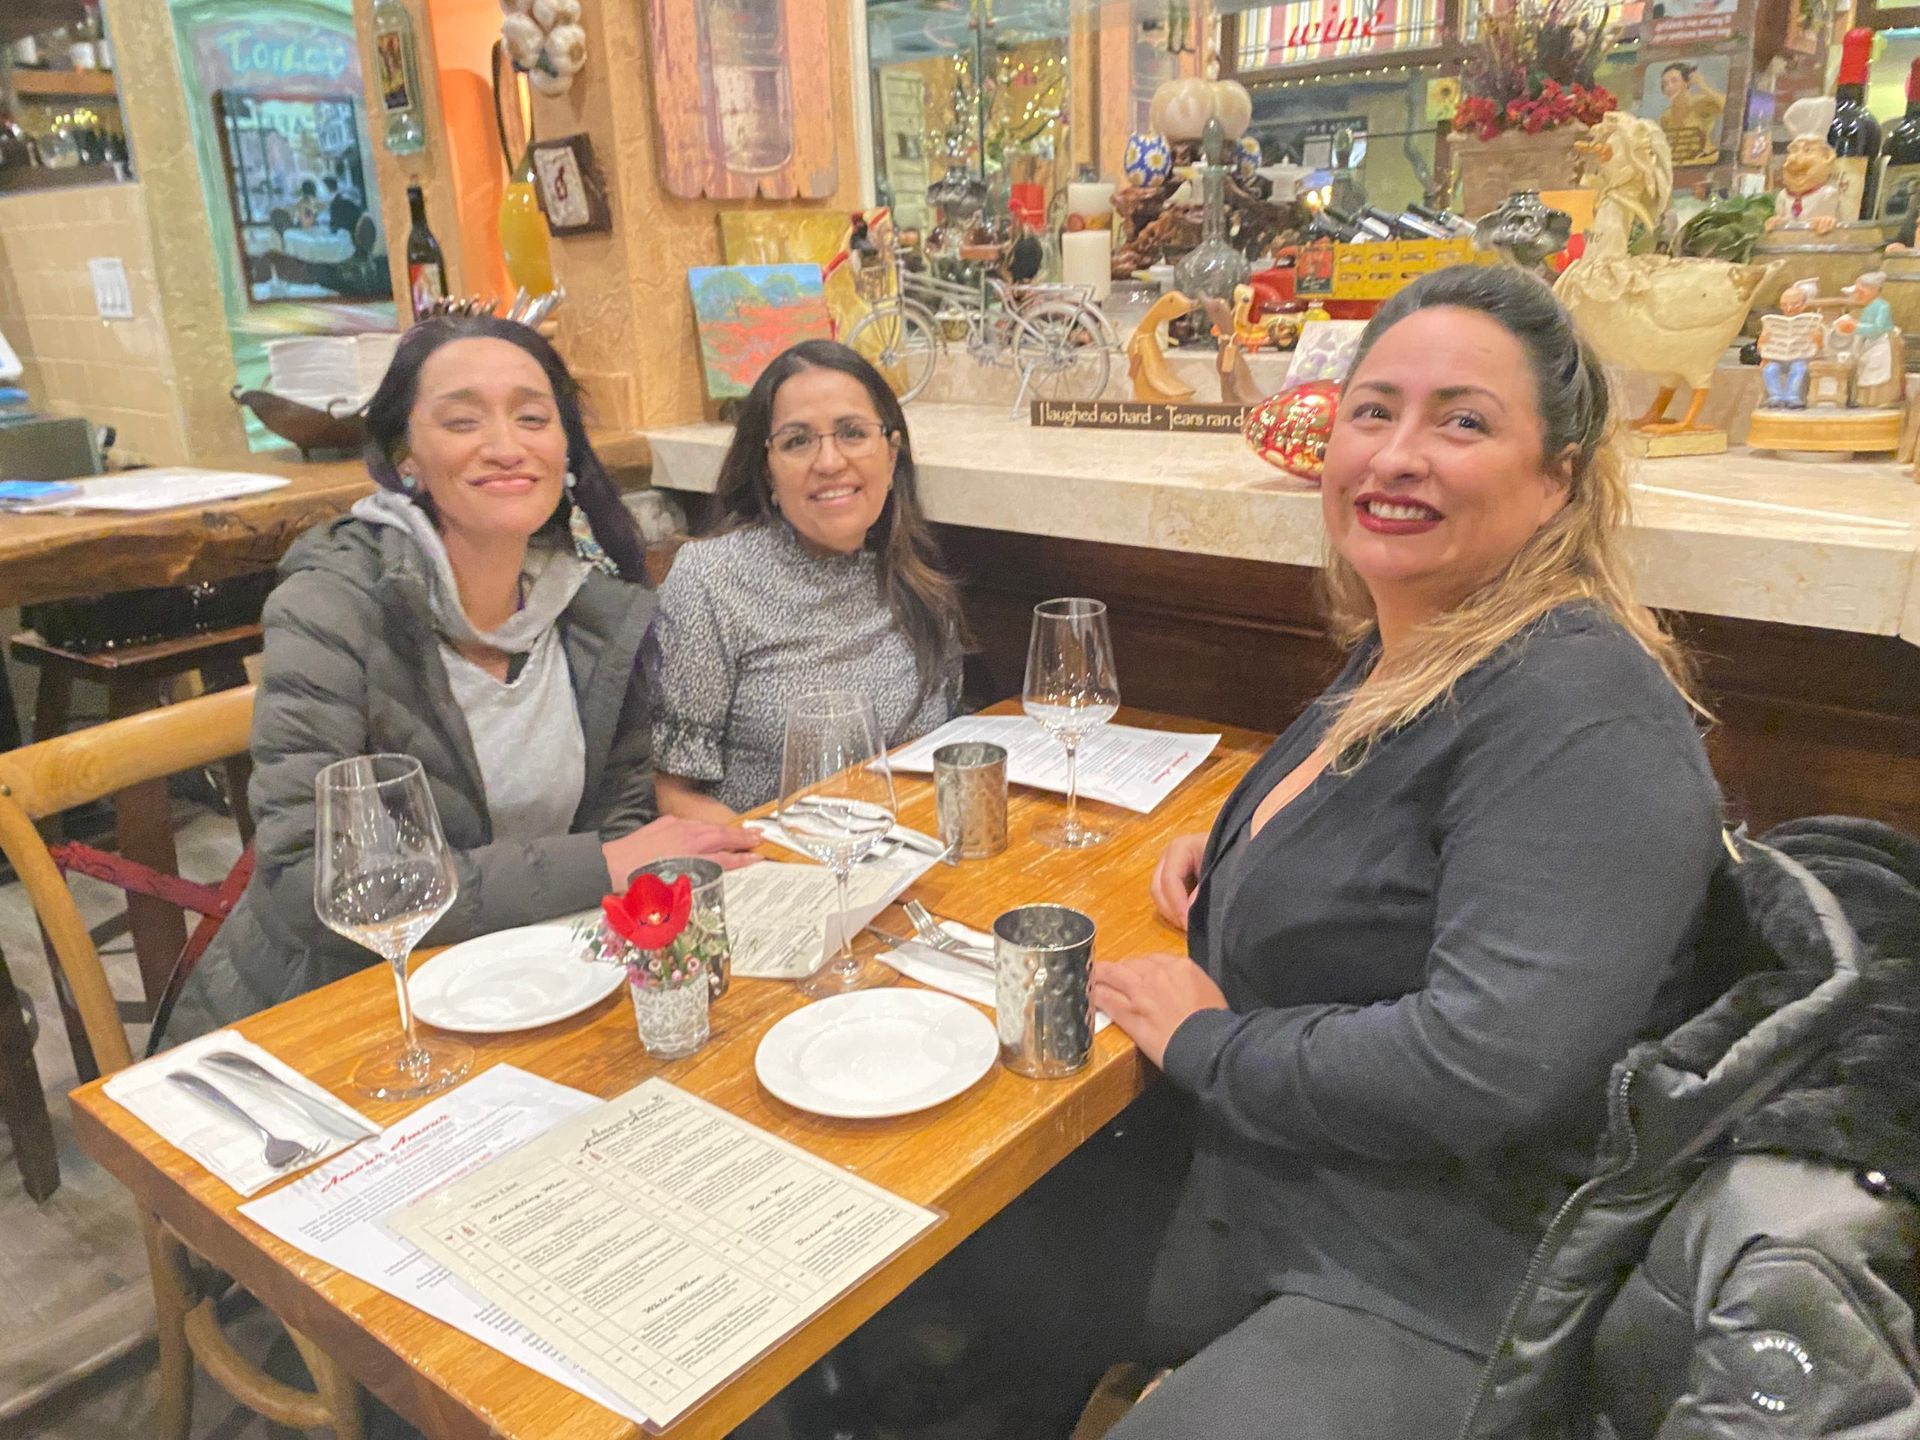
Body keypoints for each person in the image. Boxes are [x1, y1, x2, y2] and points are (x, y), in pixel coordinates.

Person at [1083, 265, 1725, 1436]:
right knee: (932, 1285)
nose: (1394, 454)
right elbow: (1407, 853)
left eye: (1462, 422)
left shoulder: (1582, 707)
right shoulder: (1424, 642)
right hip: (1290, 1190)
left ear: (1557, 483)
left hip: (1448, 1279)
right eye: (1373, 411)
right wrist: (1244, 859)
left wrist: (1209, 1043)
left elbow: (1486, 1063)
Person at [162, 315, 759, 1040]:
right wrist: (599, 865)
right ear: (403, 454)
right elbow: (310, 885)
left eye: (533, 418)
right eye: (462, 419)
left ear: (565, 449)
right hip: (339, 1016)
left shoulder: (596, 615)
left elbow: (622, 824)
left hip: (527, 992)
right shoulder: (330, 607)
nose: (506, 446)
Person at [645, 340, 966, 820]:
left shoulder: (917, 574)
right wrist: (786, 862)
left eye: (853, 433)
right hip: (773, 868)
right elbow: (668, 795)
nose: (830, 462)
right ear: (768, 473)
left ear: (891, 454)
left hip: (909, 857)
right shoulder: (710, 581)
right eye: (798, 441)